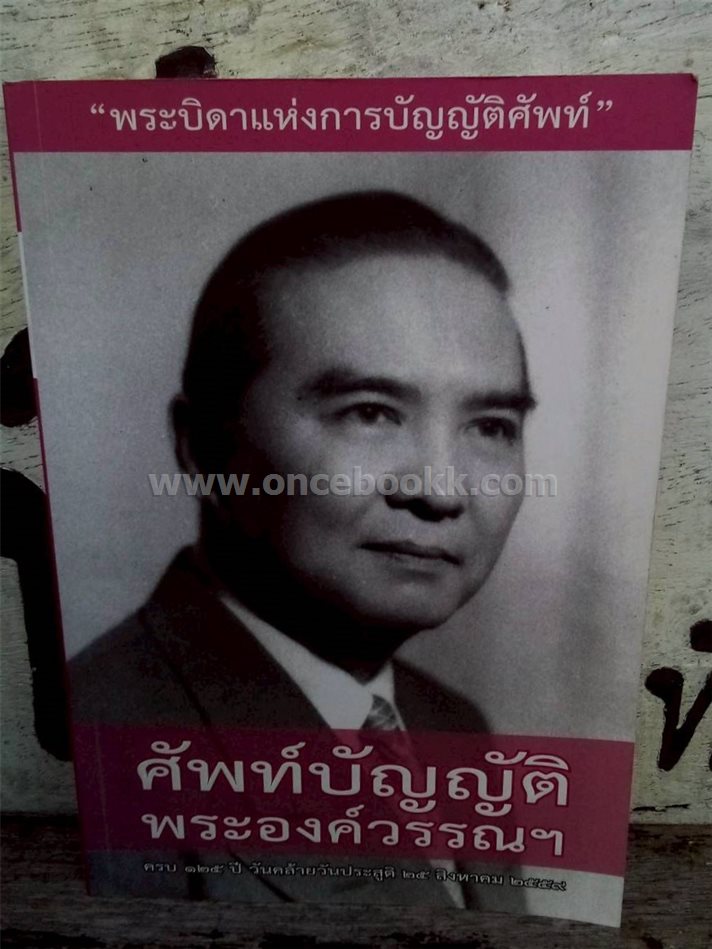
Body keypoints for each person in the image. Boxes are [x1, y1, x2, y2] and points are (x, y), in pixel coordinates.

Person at [70, 191, 535, 907]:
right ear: (204, 449)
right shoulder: (94, 747)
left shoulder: (454, 728)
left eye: (492, 426)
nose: (442, 491)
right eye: (370, 413)